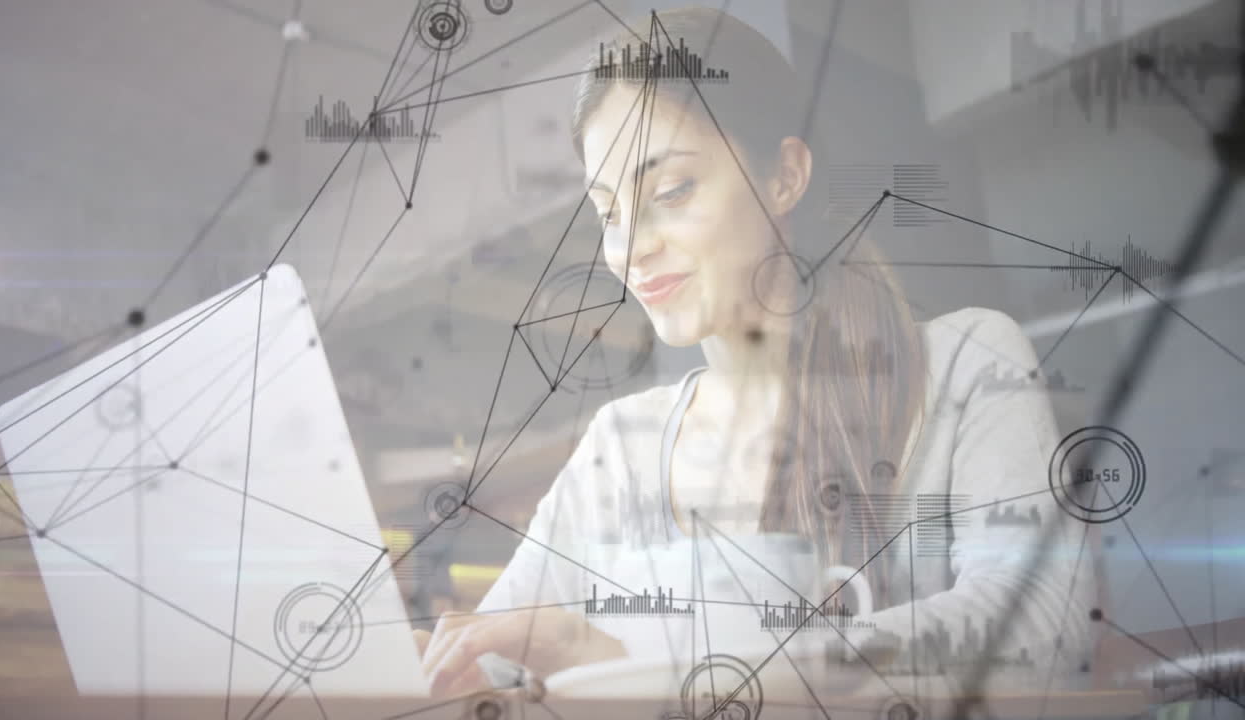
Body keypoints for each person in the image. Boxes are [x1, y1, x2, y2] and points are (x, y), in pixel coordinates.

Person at [415, 5, 1097, 698]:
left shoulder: (966, 365)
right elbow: (493, 658)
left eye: (672, 191)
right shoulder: (617, 447)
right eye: (608, 213)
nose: (631, 247)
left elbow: (1040, 624)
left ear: (785, 175)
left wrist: (621, 660)